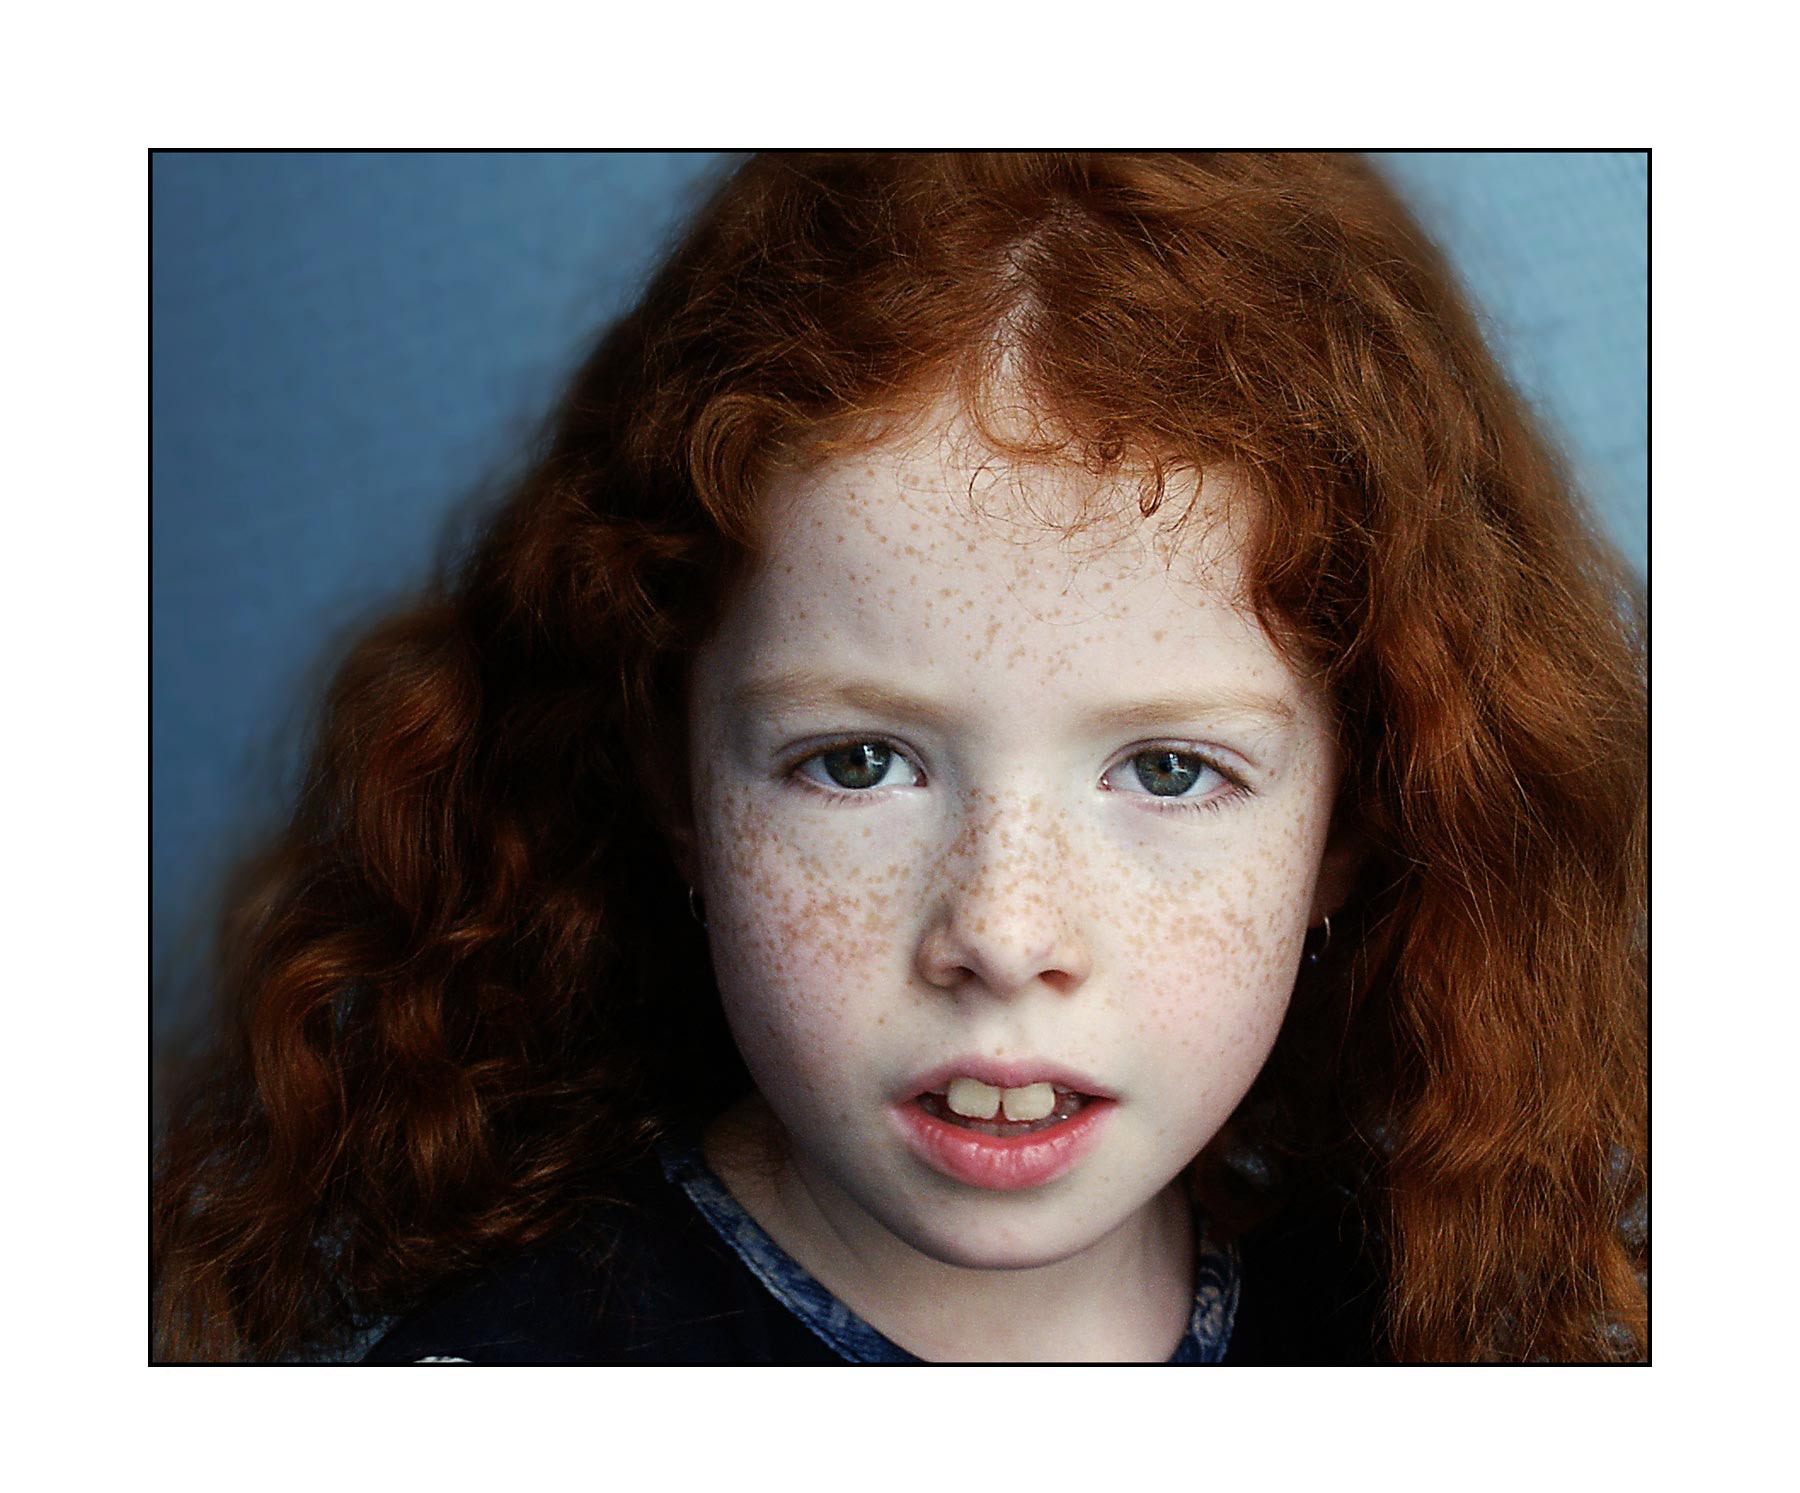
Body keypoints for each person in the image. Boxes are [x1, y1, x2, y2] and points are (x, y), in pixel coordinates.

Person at [151, 151, 1647, 1364]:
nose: (1004, 932)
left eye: (1171, 771)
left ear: (1348, 826)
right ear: (677, 786)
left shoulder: (1424, 1351)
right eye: (860, 764)